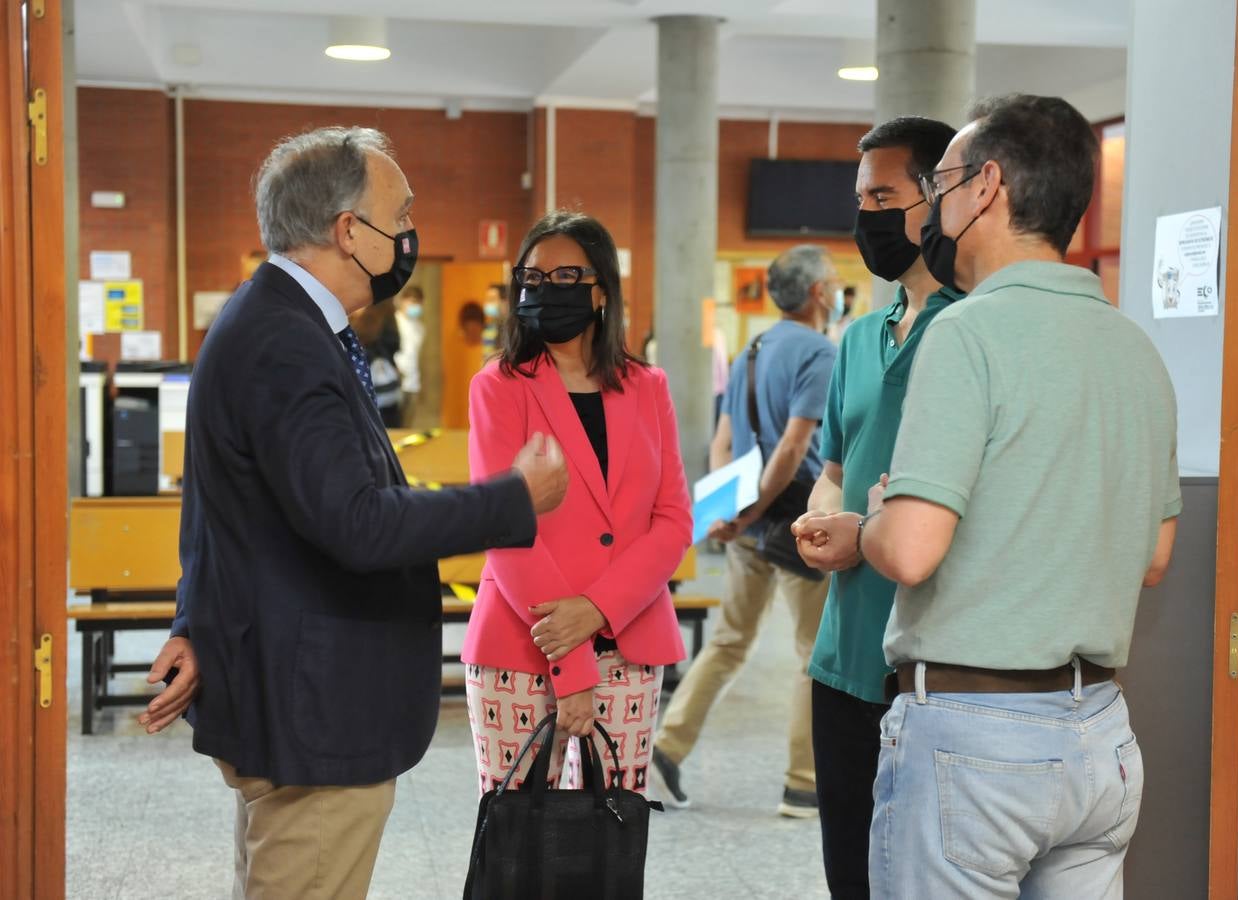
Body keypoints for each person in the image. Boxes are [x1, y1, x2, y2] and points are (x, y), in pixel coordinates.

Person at [135, 126, 569, 900]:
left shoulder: (275, 321)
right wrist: (513, 498)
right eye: (400, 216)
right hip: (313, 712)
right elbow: (358, 523)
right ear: (349, 231)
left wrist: (193, 625)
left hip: (290, 685)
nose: (407, 235)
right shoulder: (283, 339)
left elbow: (226, 509)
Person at [800, 95, 1181, 898]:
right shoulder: (1133, 345)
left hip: (976, 739)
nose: (930, 207)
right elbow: (1154, 555)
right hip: (1099, 737)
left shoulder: (967, 332)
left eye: (938, 184)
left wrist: (874, 521)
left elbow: (909, 549)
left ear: (986, 188)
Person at [464, 210, 692, 795]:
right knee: (517, 847)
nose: (544, 289)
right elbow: (505, 524)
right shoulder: (499, 385)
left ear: (601, 291)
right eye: (532, 277)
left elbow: (671, 521)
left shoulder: (648, 385)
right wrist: (572, 663)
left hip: (630, 637)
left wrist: (597, 609)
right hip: (523, 642)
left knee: (608, 841)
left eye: (566, 276)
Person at [790, 115, 960, 899]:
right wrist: (822, 516)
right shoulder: (860, 338)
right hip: (842, 657)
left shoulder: (972, 331)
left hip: (930, 664)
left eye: (884, 195)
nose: (867, 216)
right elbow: (834, 464)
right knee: (849, 875)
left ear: (938, 199)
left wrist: (875, 533)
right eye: (861, 197)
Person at [652, 244, 839, 818]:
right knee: (813, 654)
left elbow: (723, 440)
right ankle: (802, 786)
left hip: (749, 527)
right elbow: (795, 445)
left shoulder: (751, 350)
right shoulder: (820, 353)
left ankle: (665, 748)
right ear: (816, 294)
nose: (836, 293)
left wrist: (727, 513)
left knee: (730, 641)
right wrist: (756, 511)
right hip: (797, 523)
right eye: (832, 283)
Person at [351, 303, 403, 427]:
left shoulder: (365, 320)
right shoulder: (387, 318)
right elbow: (394, 344)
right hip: (382, 378)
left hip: (365, 375)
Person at [393, 284, 425, 419]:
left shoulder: (420, 327)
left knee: (408, 422)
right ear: (402, 301)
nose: (414, 306)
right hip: (396, 380)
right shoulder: (394, 321)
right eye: (412, 302)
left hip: (413, 383)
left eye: (418, 303)